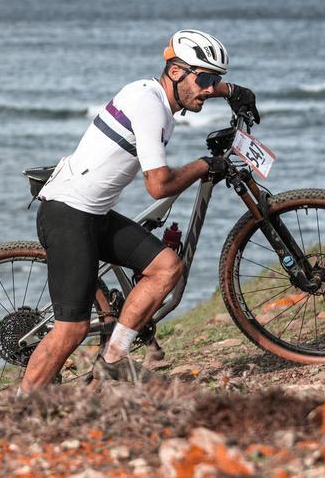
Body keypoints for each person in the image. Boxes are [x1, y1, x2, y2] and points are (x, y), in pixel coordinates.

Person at [20, 29, 260, 391]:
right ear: (177, 72)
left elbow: (202, 84)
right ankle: (22, 405)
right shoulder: (150, 105)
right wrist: (202, 166)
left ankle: (113, 360)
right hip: (68, 213)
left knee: (166, 268)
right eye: (207, 80)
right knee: (72, 328)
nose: (210, 90)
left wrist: (235, 92)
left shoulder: (162, 98)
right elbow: (158, 185)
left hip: (94, 214)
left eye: (217, 81)